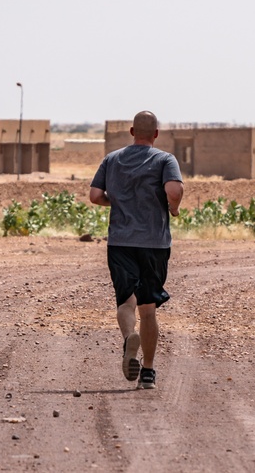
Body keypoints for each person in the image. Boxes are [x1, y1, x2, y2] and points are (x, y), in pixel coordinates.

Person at [89, 111, 184, 390]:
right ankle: (148, 372)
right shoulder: (165, 160)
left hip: (120, 242)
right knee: (148, 308)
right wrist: (173, 208)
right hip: (154, 243)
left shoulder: (112, 159)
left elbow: (95, 195)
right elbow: (174, 191)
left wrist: (118, 202)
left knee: (125, 301)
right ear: (156, 134)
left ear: (132, 132)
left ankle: (129, 336)